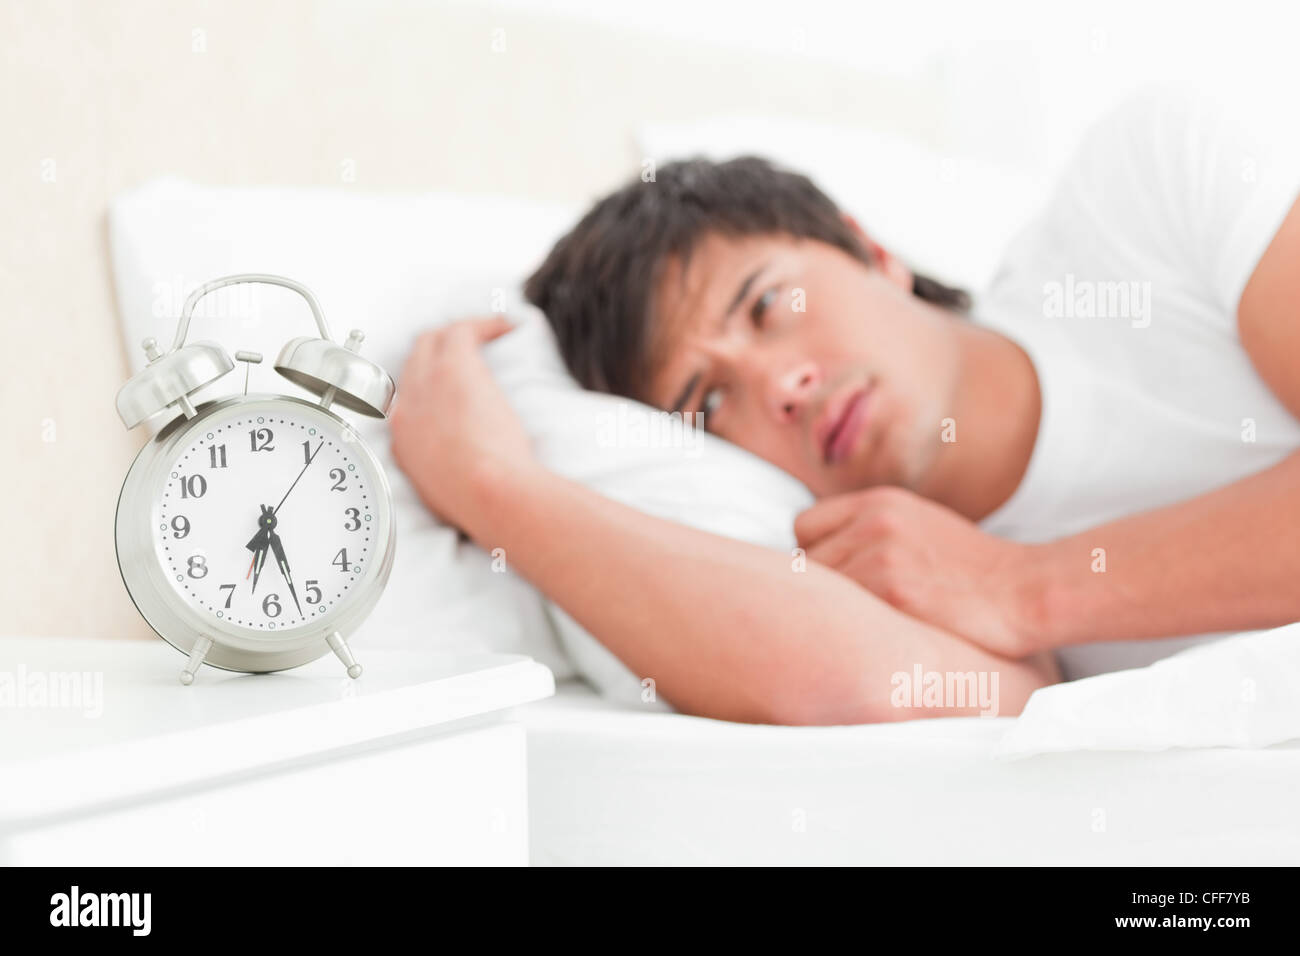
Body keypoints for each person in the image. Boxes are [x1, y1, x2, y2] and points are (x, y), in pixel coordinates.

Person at [390, 90, 1300, 723]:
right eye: (709, 401)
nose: (778, 386)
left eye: (764, 305)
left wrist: (1022, 588)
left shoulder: (1142, 191)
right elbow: (847, 685)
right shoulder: (892, 575)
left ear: (869, 250)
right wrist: (492, 484)